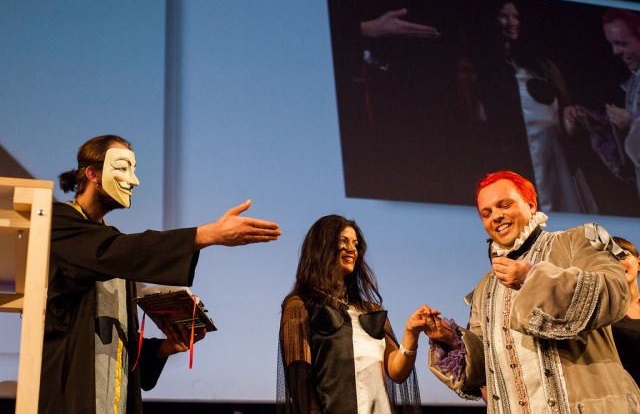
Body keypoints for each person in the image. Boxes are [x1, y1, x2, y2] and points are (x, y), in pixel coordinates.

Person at [39, 135, 281, 414]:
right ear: (92, 173)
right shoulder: (59, 222)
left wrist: (164, 347)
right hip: (70, 396)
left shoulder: (114, 247)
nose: (134, 180)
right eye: (122, 168)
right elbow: (109, 252)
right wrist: (206, 234)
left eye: (134, 169)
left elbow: (117, 345)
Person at [422, 171, 640, 412]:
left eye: (504, 205)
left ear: (531, 204)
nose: (496, 216)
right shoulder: (486, 287)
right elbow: (486, 370)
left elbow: (615, 292)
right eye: (487, 213)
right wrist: (450, 339)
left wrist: (531, 278)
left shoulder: (577, 242)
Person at [276, 215, 424, 414]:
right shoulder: (300, 305)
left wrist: (411, 333)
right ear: (322, 247)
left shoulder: (373, 312)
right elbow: (300, 381)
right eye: (343, 242)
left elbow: (397, 372)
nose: (352, 249)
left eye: (355, 243)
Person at [470, 0, 596, 214]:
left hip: (554, 159)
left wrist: (572, 116)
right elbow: (478, 120)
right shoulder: (481, 69)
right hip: (512, 160)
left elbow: (564, 110)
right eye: (504, 16)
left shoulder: (543, 67)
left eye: (516, 17)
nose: (511, 22)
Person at [565, 8, 640, 204]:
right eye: (612, 44)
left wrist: (632, 120)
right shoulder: (632, 83)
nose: (615, 52)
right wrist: (603, 127)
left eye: (622, 43)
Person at [611, 236, 640, 385]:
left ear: (639, 263)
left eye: (624, 255)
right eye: (611, 258)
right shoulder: (606, 314)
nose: (618, 262)